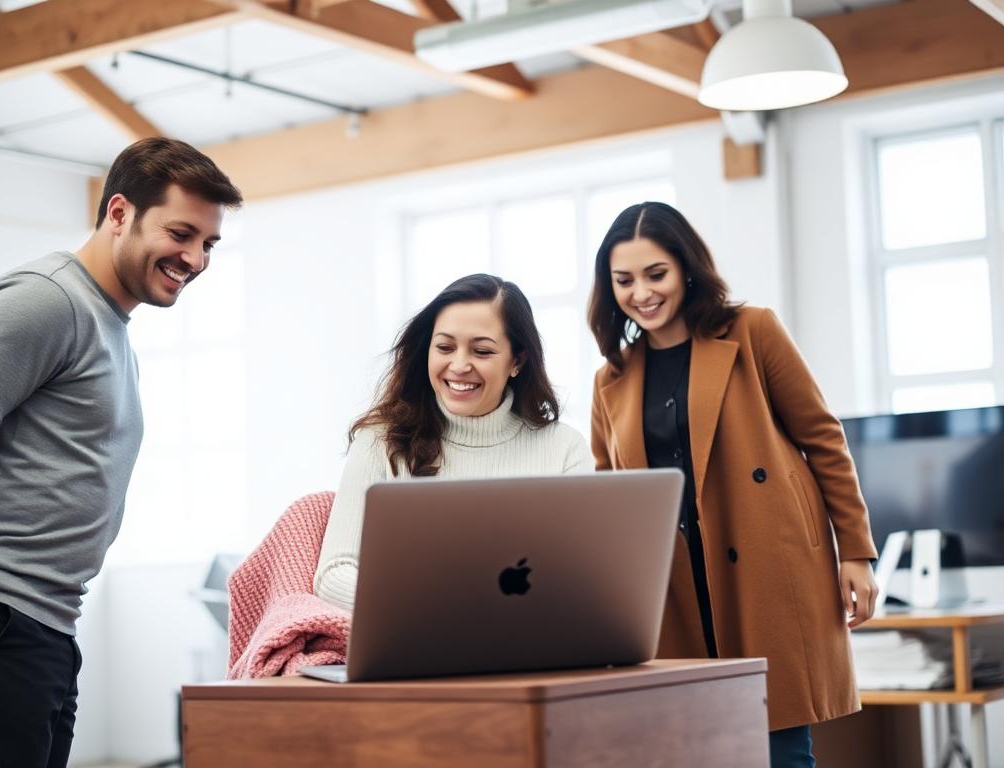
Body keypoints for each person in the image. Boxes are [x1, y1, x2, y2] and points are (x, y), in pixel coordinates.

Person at [0, 137, 242, 768]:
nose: (196, 258)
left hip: (44, 627)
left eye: (208, 243)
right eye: (181, 233)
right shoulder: (48, 301)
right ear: (119, 212)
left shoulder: (106, 324)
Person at [587, 202, 878, 768]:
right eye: (624, 280)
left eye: (656, 274)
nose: (641, 293)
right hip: (671, 584)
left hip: (763, 566)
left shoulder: (752, 331)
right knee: (691, 748)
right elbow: (610, 495)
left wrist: (856, 553)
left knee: (780, 747)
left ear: (687, 269)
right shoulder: (612, 376)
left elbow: (823, 439)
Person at [315, 273, 594, 611]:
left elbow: (578, 576)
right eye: (445, 347)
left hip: (529, 644)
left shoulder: (565, 448)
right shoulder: (380, 441)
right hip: (414, 645)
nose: (459, 365)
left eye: (482, 351)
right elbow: (334, 575)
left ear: (517, 361)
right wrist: (430, 608)